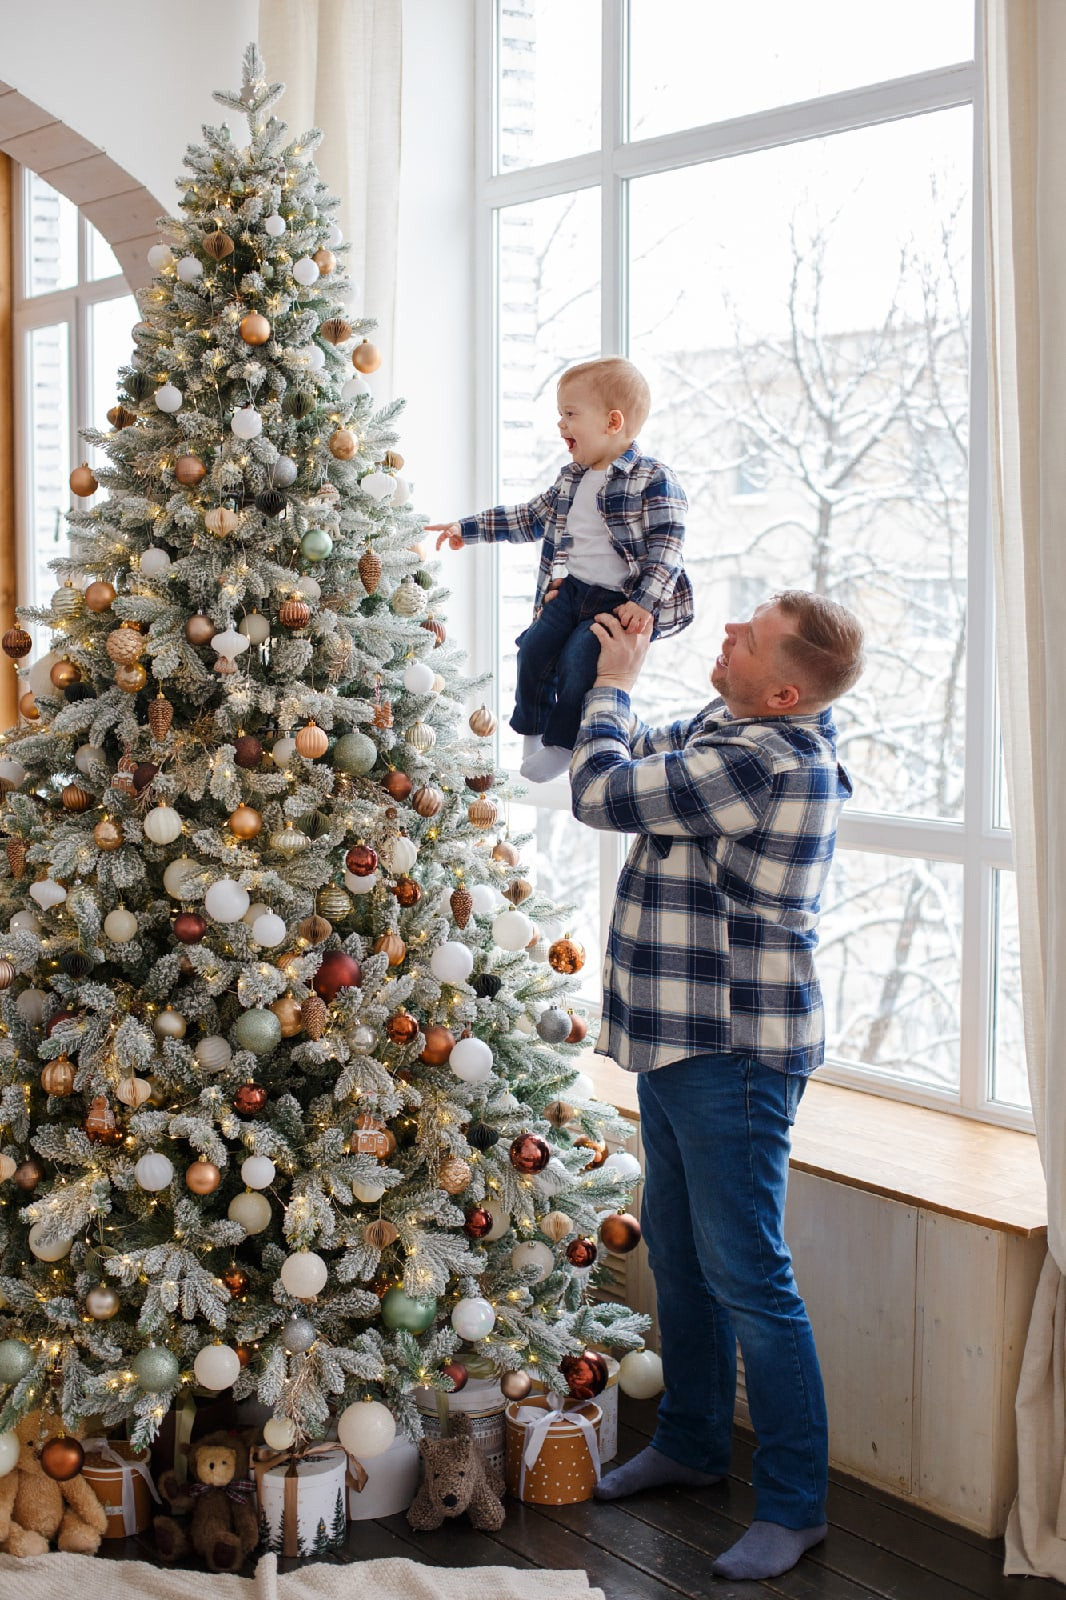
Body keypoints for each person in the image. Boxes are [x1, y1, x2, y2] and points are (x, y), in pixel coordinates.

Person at [570, 591, 865, 1583]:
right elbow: (637, 755)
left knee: (750, 1273)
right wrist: (594, 681)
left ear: (785, 688)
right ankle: (692, 1442)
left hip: (733, 1052)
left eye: (748, 633)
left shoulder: (766, 757)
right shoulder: (730, 723)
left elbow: (605, 791)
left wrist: (612, 685)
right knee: (684, 1254)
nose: (726, 629)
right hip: (677, 1037)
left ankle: (793, 1504)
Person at [427, 356, 691, 783]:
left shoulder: (654, 479)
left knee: (577, 662)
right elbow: (529, 517)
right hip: (572, 592)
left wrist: (643, 603)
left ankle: (564, 741)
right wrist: (467, 528)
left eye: (570, 414)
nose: (560, 425)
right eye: (559, 415)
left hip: (617, 603)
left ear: (612, 421)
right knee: (533, 647)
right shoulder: (573, 478)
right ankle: (533, 727)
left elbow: (669, 547)